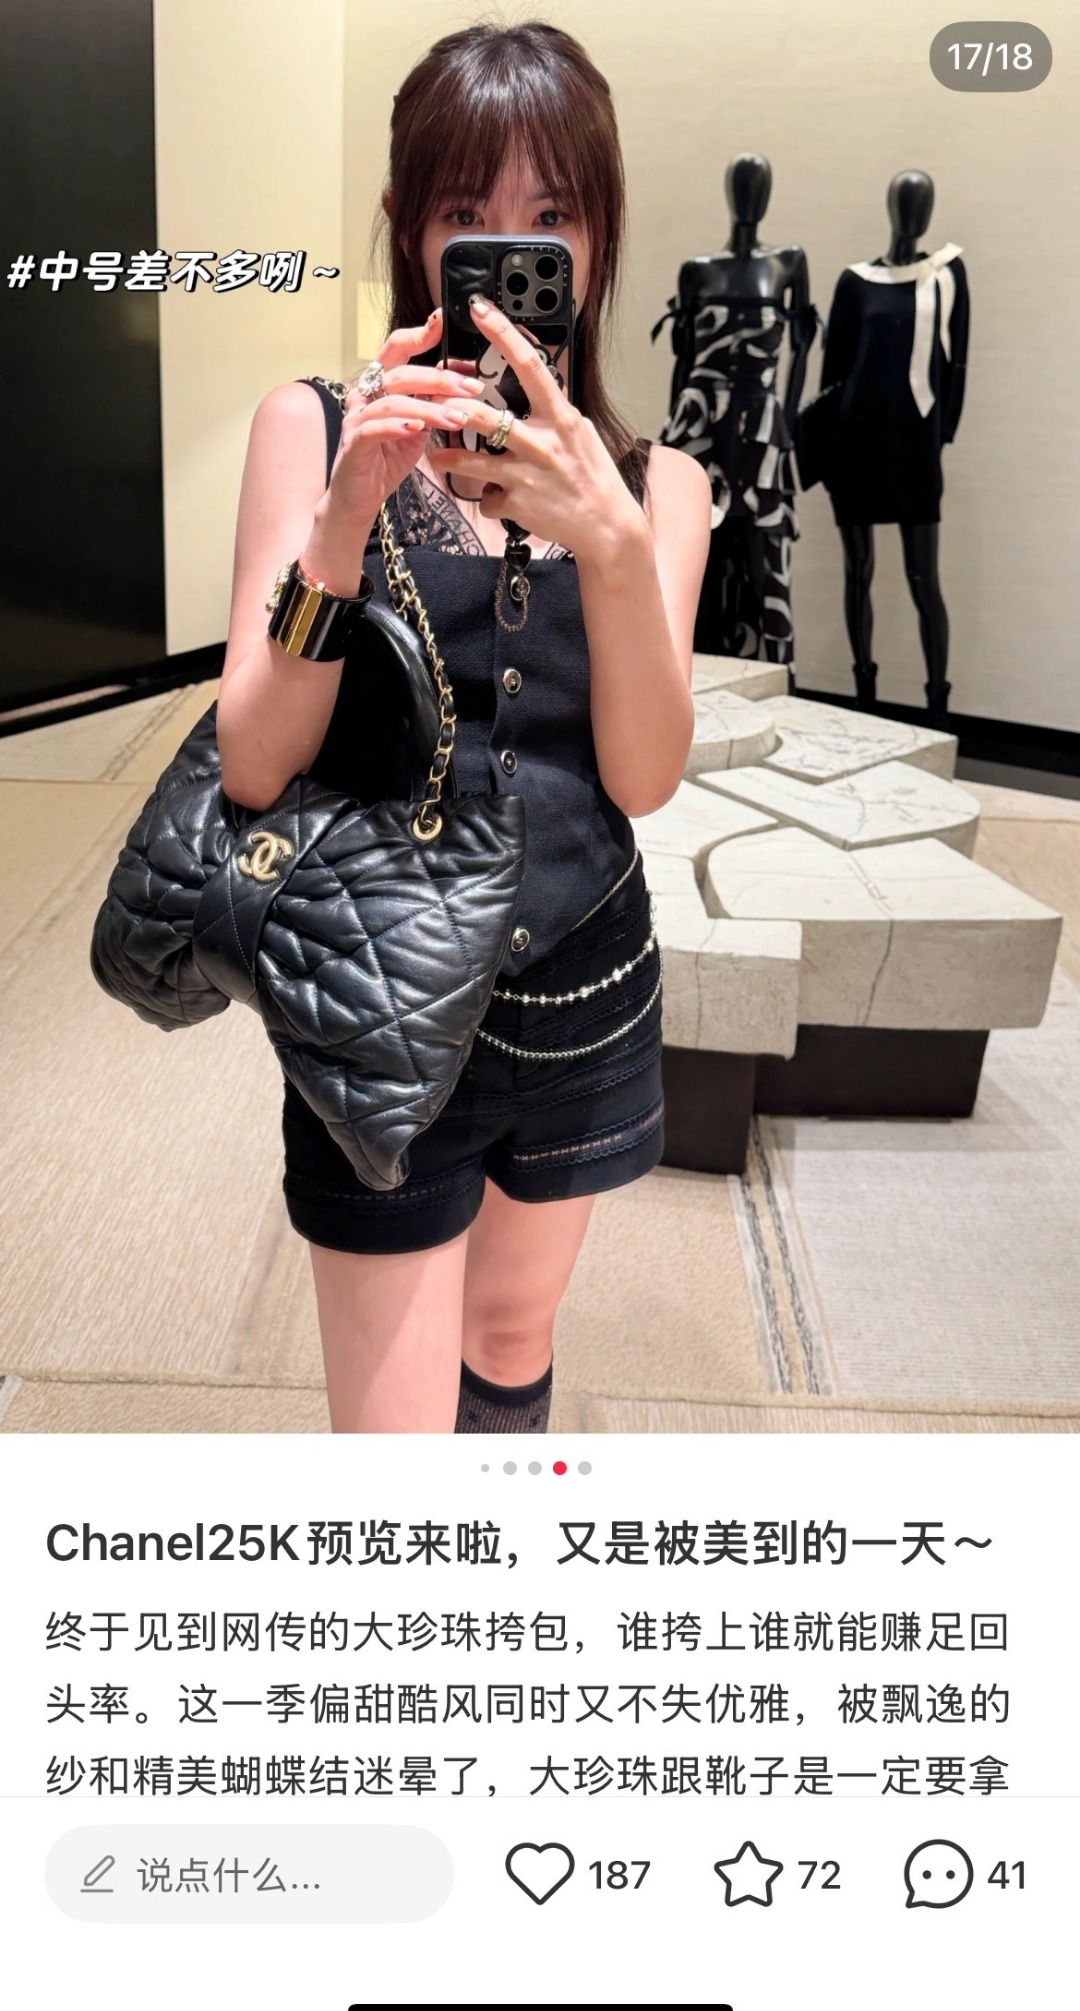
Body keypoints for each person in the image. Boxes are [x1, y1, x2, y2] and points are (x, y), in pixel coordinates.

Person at [215, 20, 711, 1435]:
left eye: (552, 217)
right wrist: (342, 529)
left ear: (599, 239)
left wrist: (611, 547)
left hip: (583, 999)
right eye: (466, 215)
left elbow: (642, 779)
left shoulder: (660, 488)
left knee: (507, 1341)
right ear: (410, 232)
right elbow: (254, 759)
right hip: (377, 1000)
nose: (514, 256)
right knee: (391, 1445)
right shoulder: (310, 432)